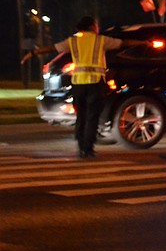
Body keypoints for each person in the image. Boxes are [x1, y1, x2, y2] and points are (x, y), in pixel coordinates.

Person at [20, 16, 148, 158]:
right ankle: (88, 149)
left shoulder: (73, 42)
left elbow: (52, 48)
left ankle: (81, 146)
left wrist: (32, 53)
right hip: (95, 84)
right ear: (92, 26)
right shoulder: (101, 40)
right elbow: (123, 43)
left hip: (78, 84)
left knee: (81, 116)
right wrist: (143, 42)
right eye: (96, 25)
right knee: (92, 117)